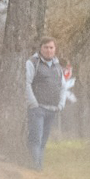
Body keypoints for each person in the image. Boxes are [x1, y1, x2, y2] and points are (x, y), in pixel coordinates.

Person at [25, 37, 66, 170]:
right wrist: (33, 103)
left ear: (55, 49)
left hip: (52, 109)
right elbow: (27, 83)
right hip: (38, 109)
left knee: (43, 140)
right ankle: (35, 167)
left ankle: (39, 166)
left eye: (51, 48)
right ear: (41, 48)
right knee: (36, 138)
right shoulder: (33, 63)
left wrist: (61, 104)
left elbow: (63, 86)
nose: (48, 50)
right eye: (46, 47)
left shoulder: (58, 67)